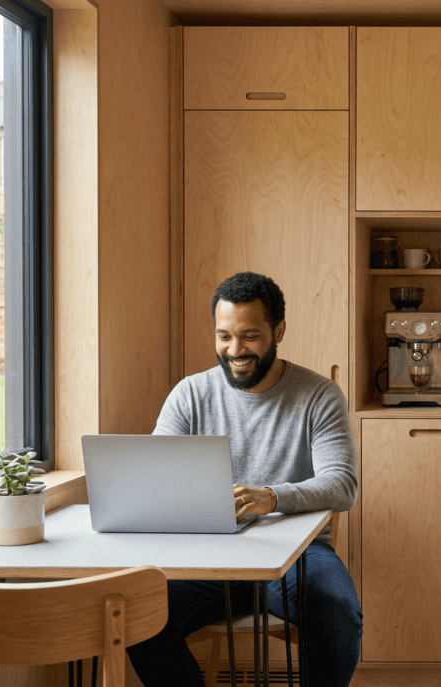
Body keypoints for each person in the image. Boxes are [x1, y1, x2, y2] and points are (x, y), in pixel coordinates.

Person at [127, 271, 362, 687]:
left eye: (249, 336)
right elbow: (155, 476)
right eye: (224, 336)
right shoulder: (190, 394)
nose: (235, 350)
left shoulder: (319, 394)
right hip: (208, 555)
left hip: (298, 552)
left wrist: (272, 497)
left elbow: (342, 484)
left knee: (339, 615)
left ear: (279, 331)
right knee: (137, 618)